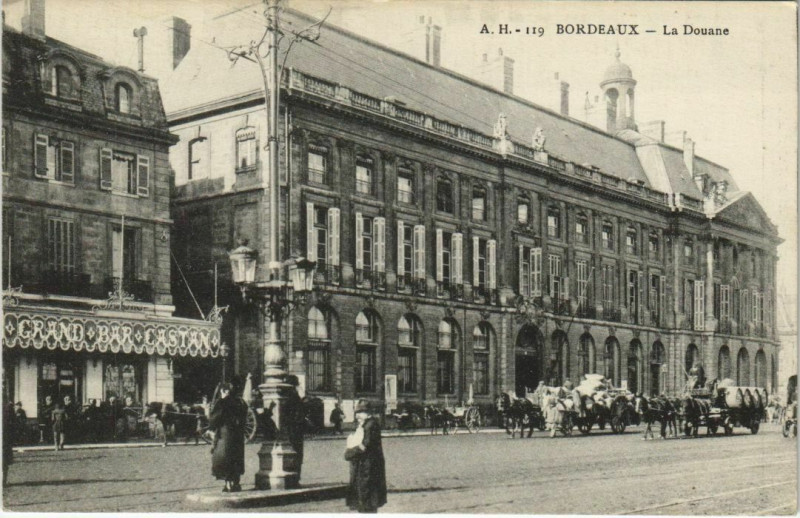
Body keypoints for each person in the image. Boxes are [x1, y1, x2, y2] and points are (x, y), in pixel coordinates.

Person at [345, 400, 387, 513]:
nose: (357, 415)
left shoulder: (370, 425)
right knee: (365, 498)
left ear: (368, 413)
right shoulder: (365, 424)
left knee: (367, 497)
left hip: (369, 467)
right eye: (357, 412)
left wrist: (350, 453)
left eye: (360, 412)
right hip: (365, 465)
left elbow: (365, 445)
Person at [209, 382, 248, 492]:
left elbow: (214, 419)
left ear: (225, 391)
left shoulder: (222, 402)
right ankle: (236, 483)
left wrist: (211, 426)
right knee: (237, 457)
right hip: (238, 434)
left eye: (222, 391)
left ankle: (228, 484)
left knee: (225, 458)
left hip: (225, 434)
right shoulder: (241, 402)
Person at [284, 375, 305, 482]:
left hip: (290, 428)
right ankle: (296, 476)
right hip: (296, 429)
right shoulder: (296, 396)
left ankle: (293, 476)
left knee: (293, 452)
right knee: (297, 452)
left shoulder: (287, 396)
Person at [3, 400, 16, 485]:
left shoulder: (8, 407)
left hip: (5, 438)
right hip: (5, 438)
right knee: (4, 461)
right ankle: (3, 480)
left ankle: (3, 481)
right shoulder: (8, 407)